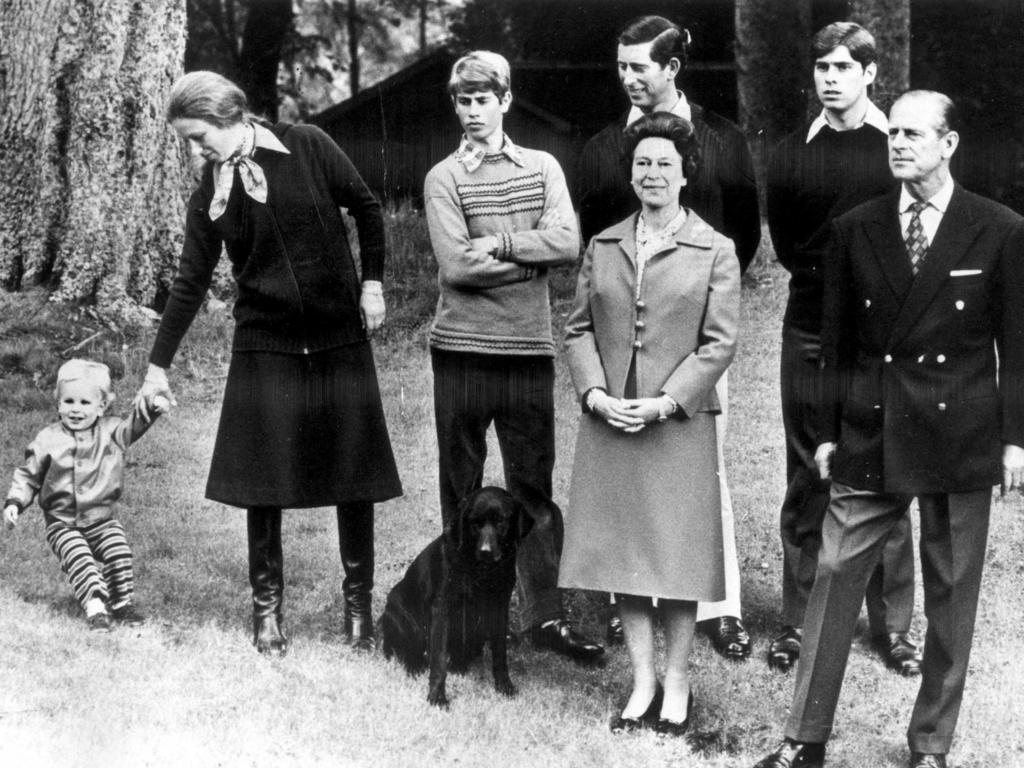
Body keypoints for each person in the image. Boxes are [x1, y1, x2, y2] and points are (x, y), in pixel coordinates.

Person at [753, 90, 1024, 768]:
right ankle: (803, 739)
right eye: (892, 133)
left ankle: (930, 744)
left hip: (958, 434)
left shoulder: (998, 229)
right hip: (870, 431)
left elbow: (1018, 345)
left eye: (912, 134)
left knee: (952, 593)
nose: (898, 144)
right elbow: (835, 343)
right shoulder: (858, 226)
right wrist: (821, 432)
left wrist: (1017, 439)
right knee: (837, 571)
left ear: (949, 143)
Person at [136, 71, 402, 657]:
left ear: (230, 117)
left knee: (353, 473)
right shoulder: (210, 191)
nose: (194, 149)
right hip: (265, 343)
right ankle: (267, 613)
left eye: (199, 135)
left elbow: (366, 207)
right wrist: (158, 366)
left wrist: (372, 286)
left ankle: (359, 609)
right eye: (187, 140)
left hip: (338, 336)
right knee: (264, 480)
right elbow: (189, 281)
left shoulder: (306, 143)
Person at [575, 13, 757, 660]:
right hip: (626, 343)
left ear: (672, 68)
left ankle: (719, 608)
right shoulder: (600, 150)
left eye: (639, 67)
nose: (627, 78)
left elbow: (746, 233)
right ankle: (630, 601)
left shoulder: (725, 140)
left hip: (699, 336)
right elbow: (595, 248)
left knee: (700, 475)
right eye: (620, 66)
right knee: (627, 479)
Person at [561, 112, 740, 735]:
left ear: (687, 172)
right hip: (611, 419)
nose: (654, 173)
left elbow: (718, 345)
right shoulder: (603, 243)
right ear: (630, 174)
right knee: (624, 554)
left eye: (666, 163)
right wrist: (594, 394)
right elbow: (577, 328)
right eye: (643, 163)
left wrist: (666, 401)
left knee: (678, 555)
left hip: (677, 422)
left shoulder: (716, 248)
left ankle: (679, 683)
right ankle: (641, 681)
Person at [424, 51, 603, 662]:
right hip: (462, 352)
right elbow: (455, 265)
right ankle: (468, 623)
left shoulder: (543, 166)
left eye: (483, 99)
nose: (473, 112)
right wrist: (530, 257)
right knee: (462, 491)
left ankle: (545, 619)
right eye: (463, 101)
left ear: (505, 99)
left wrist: (497, 243)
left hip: (529, 351)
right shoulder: (443, 177)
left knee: (532, 491)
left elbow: (567, 242)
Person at [765, 22, 919, 676]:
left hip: (880, 330)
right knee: (809, 471)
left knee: (888, 469)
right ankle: (800, 623)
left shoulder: (895, 148)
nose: (831, 77)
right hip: (807, 322)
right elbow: (790, 245)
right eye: (822, 66)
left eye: (843, 67)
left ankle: (895, 629)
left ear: (869, 74)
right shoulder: (792, 152)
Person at [4, 359, 164, 631]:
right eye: (69, 401)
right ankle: (95, 607)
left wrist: (152, 407)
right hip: (62, 523)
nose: (76, 409)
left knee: (119, 552)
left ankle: (122, 603)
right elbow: (28, 475)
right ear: (58, 403)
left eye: (85, 403)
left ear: (102, 406)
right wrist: (15, 502)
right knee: (79, 557)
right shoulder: (48, 439)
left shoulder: (113, 432)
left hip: (102, 519)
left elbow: (134, 425)